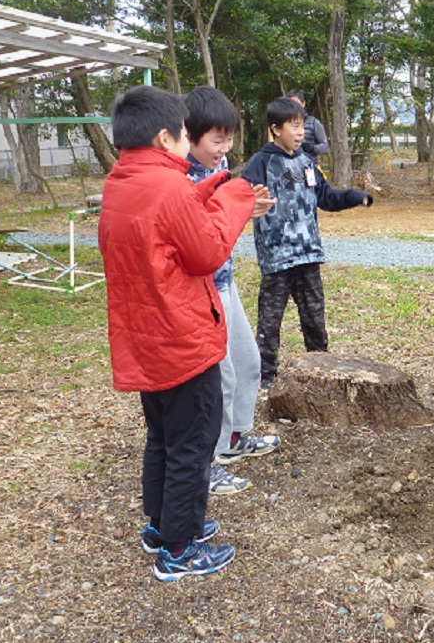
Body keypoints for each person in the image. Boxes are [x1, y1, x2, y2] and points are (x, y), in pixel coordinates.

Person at [99, 85, 262, 581]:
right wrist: (234, 196)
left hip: (146, 339)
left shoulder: (120, 181)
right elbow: (208, 251)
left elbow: (165, 223)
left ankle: (160, 526)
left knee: (163, 438)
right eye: (182, 136)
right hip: (182, 338)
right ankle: (180, 548)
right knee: (192, 442)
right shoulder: (167, 188)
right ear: (166, 136)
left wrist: (206, 189)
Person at [183, 87, 281, 497]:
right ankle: (215, 454)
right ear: (188, 135)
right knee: (218, 376)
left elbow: (220, 228)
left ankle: (238, 436)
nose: (224, 149)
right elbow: (199, 238)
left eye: (229, 139)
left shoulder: (215, 170)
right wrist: (237, 210)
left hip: (226, 282)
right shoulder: (181, 178)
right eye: (216, 140)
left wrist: (245, 208)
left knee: (248, 360)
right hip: (202, 289)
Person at [243, 97, 373, 389]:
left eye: (302, 126)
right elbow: (242, 198)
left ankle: (320, 368)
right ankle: (264, 375)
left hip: (308, 255)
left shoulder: (307, 163)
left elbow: (326, 197)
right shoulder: (261, 163)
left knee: (315, 317)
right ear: (276, 129)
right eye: (294, 126)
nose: (300, 133)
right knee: (270, 321)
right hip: (277, 259)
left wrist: (353, 196)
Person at [285, 90, 329, 159]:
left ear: (303, 104)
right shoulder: (284, 123)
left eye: (296, 103)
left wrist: (312, 148)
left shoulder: (314, 122)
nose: (294, 106)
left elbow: (326, 147)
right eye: (291, 103)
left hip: (309, 165)